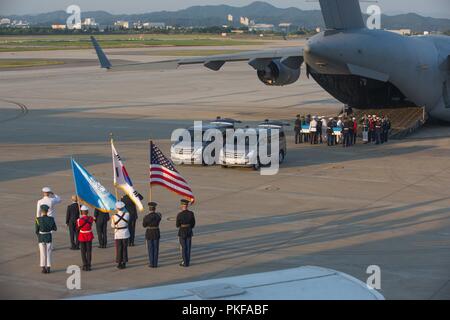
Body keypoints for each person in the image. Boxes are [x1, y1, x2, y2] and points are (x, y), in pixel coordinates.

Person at [35, 205, 57, 274]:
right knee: (49, 252)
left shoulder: (38, 219)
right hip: (48, 236)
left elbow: (36, 230)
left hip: (41, 237)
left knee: (42, 253)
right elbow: (55, 228)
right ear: (47, 211)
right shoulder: (51, 219)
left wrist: (39, 235)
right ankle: (48, 267)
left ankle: (43, 268)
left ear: (41, 211)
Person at [176, 199, 196, 267]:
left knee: (183, 248)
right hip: (189, 231)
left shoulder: (179, 214)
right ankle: (187, 261)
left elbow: (177, 225)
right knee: (188, 247)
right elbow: (193, 223)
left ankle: (184, 262)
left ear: (182, 206)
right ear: (187, 206)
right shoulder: (191, 213)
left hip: (182, 232)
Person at [142, 202, 162, 268]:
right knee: (156, 249)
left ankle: (151, 263)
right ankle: (155, 263)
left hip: (149, 233)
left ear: (149, 209)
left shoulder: (147, 217)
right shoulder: (158, 216)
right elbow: (159, 217)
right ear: (155, 208)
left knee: (150, 249)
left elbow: (144, 225)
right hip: (156, 232)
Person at [111, 201, 130, 269]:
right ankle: (124, 262)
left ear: (117, 208)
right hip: (125, 233)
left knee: (119, 249)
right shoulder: (127, 214)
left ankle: (119, 263)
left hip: (118, 234)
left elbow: (112, 226)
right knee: (124, 248)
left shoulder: (114, 216)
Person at [77, 205, 94, 271]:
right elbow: (91, 224)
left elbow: (78, 227)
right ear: (87, 212)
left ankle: (85, 265)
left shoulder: (79, 220)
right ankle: (89, 265)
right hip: (89, 235)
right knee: (89, 251)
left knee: (83, 251)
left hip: (82, 235)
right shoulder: (91, 218)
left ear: (81, 212)